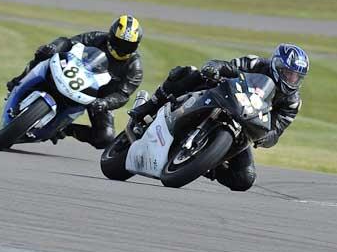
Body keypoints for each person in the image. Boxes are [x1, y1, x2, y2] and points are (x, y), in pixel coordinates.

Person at [130, 43, 309, 192]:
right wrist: (214, 68)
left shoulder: (292, 102)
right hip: (225, 98)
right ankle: (150, 106)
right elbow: (228, 67)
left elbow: (276, 130)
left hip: (245, 125)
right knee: (189, 73)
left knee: (245, 179)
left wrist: (265, 138)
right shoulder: (256, 64)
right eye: (287, 73)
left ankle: (204, 164)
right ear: (276, 65)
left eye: (296, 77)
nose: (291, 79)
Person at [6, 15, 144, 148]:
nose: (122, 48)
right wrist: (53, 47)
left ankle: (64, 129)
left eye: (128, 45)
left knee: (105, 138)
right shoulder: (98, 37)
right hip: (76, 72)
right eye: (119, 42)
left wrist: (105, 102)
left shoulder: (135, 67)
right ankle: (19, 80)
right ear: (111, 36)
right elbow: (69, 42)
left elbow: (123, 95)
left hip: (98, 97)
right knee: (46, 52)